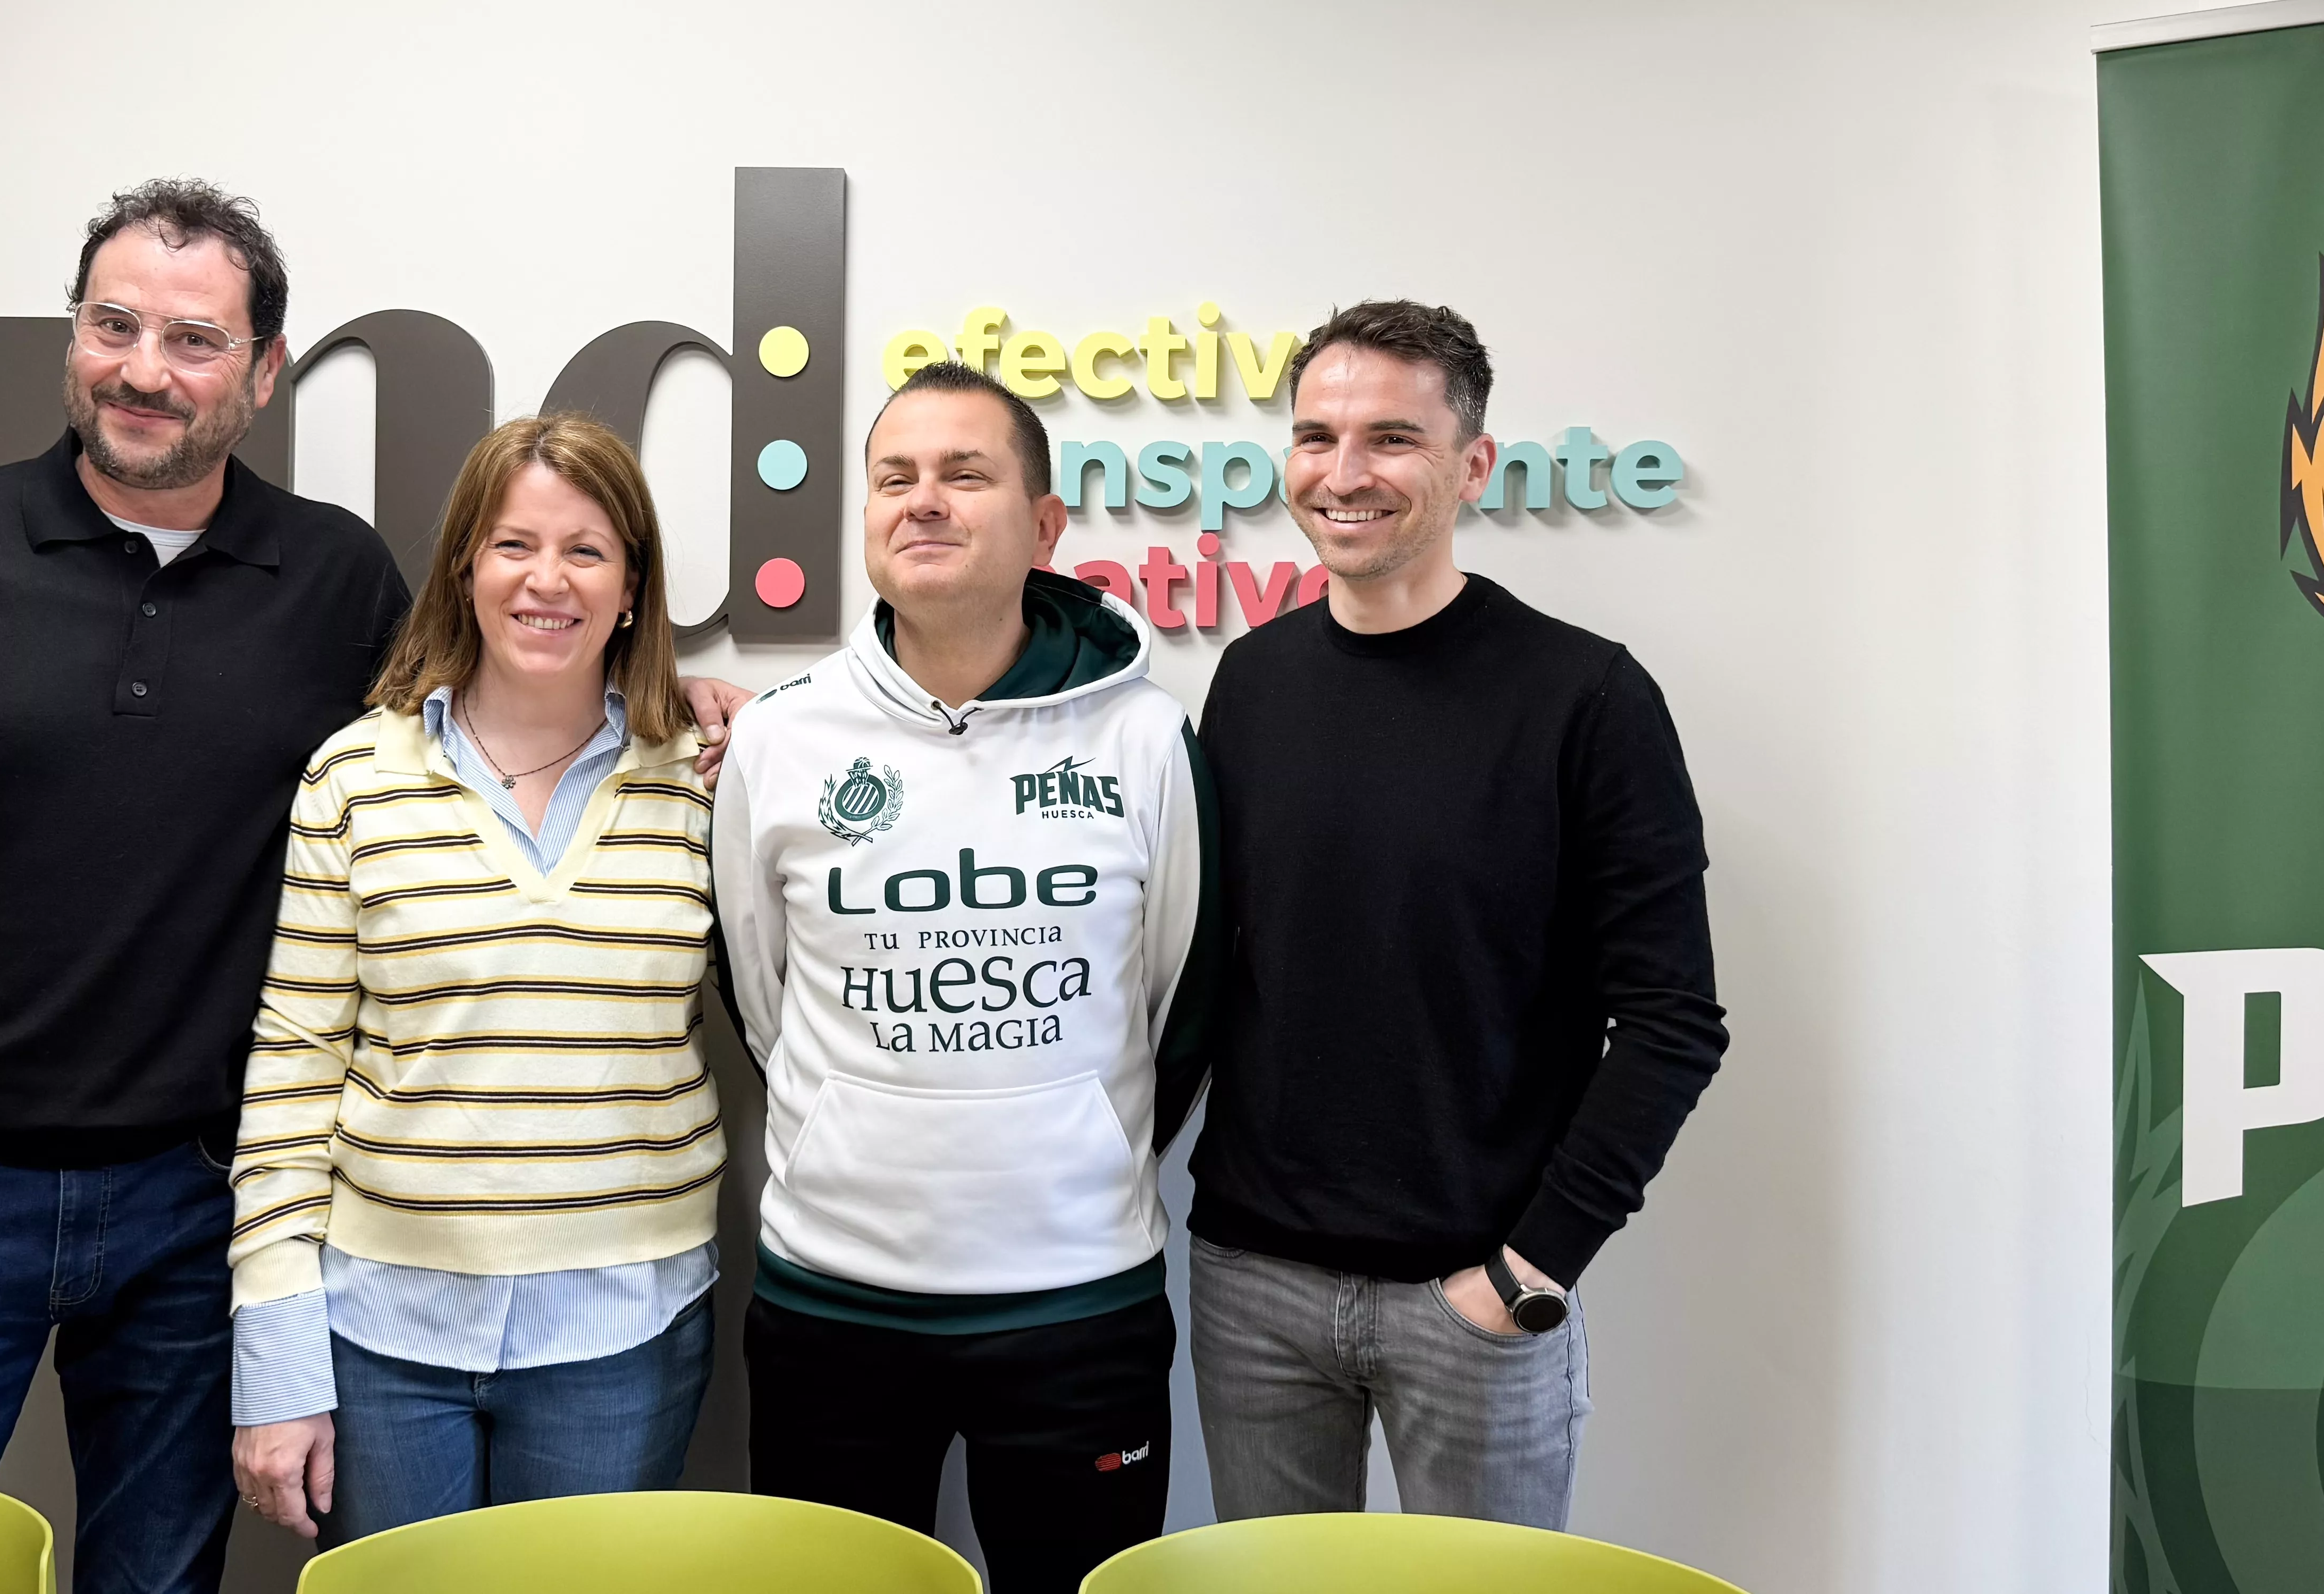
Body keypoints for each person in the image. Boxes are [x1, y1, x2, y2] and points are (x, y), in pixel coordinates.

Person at [0, 182, 746, 1594]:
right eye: (114, 325)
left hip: (195, 1204)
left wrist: (677, 699)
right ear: (71, 338)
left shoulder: (329, 577)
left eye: (195, 340)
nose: (145, 369)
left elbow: (500, 703)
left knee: (157, 1578)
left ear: (263, 371)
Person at [1185, 299, 1729, 1530]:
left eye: (1390, 438)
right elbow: (1220, 965)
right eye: (1315, 436)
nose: (1344, 472)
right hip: (1251, 1282)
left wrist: (1526, 1272)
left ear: (1471, 464)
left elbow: (1669, 1021)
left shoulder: (1586, 695)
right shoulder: (1252, 681)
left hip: (1476, 1294)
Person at [712, 361, 1222, 1594]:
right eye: (895, 477)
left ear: (1044, 525)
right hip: (832, 1304)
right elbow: (762, 994)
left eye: (963, 474)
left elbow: (1180, 999)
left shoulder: (1143, 736)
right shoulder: (780, 740)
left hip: (1074, 1306)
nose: (922, 501)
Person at [224, 415, 725, 1544]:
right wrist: (276, 1346)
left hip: (625, 1328)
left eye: (586, 550)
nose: (546, 579)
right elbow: (295, 1067)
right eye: (512, 545)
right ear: (463, 566)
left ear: (634, 587)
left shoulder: (705, 780)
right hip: (379, 1332)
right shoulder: (353, 776)